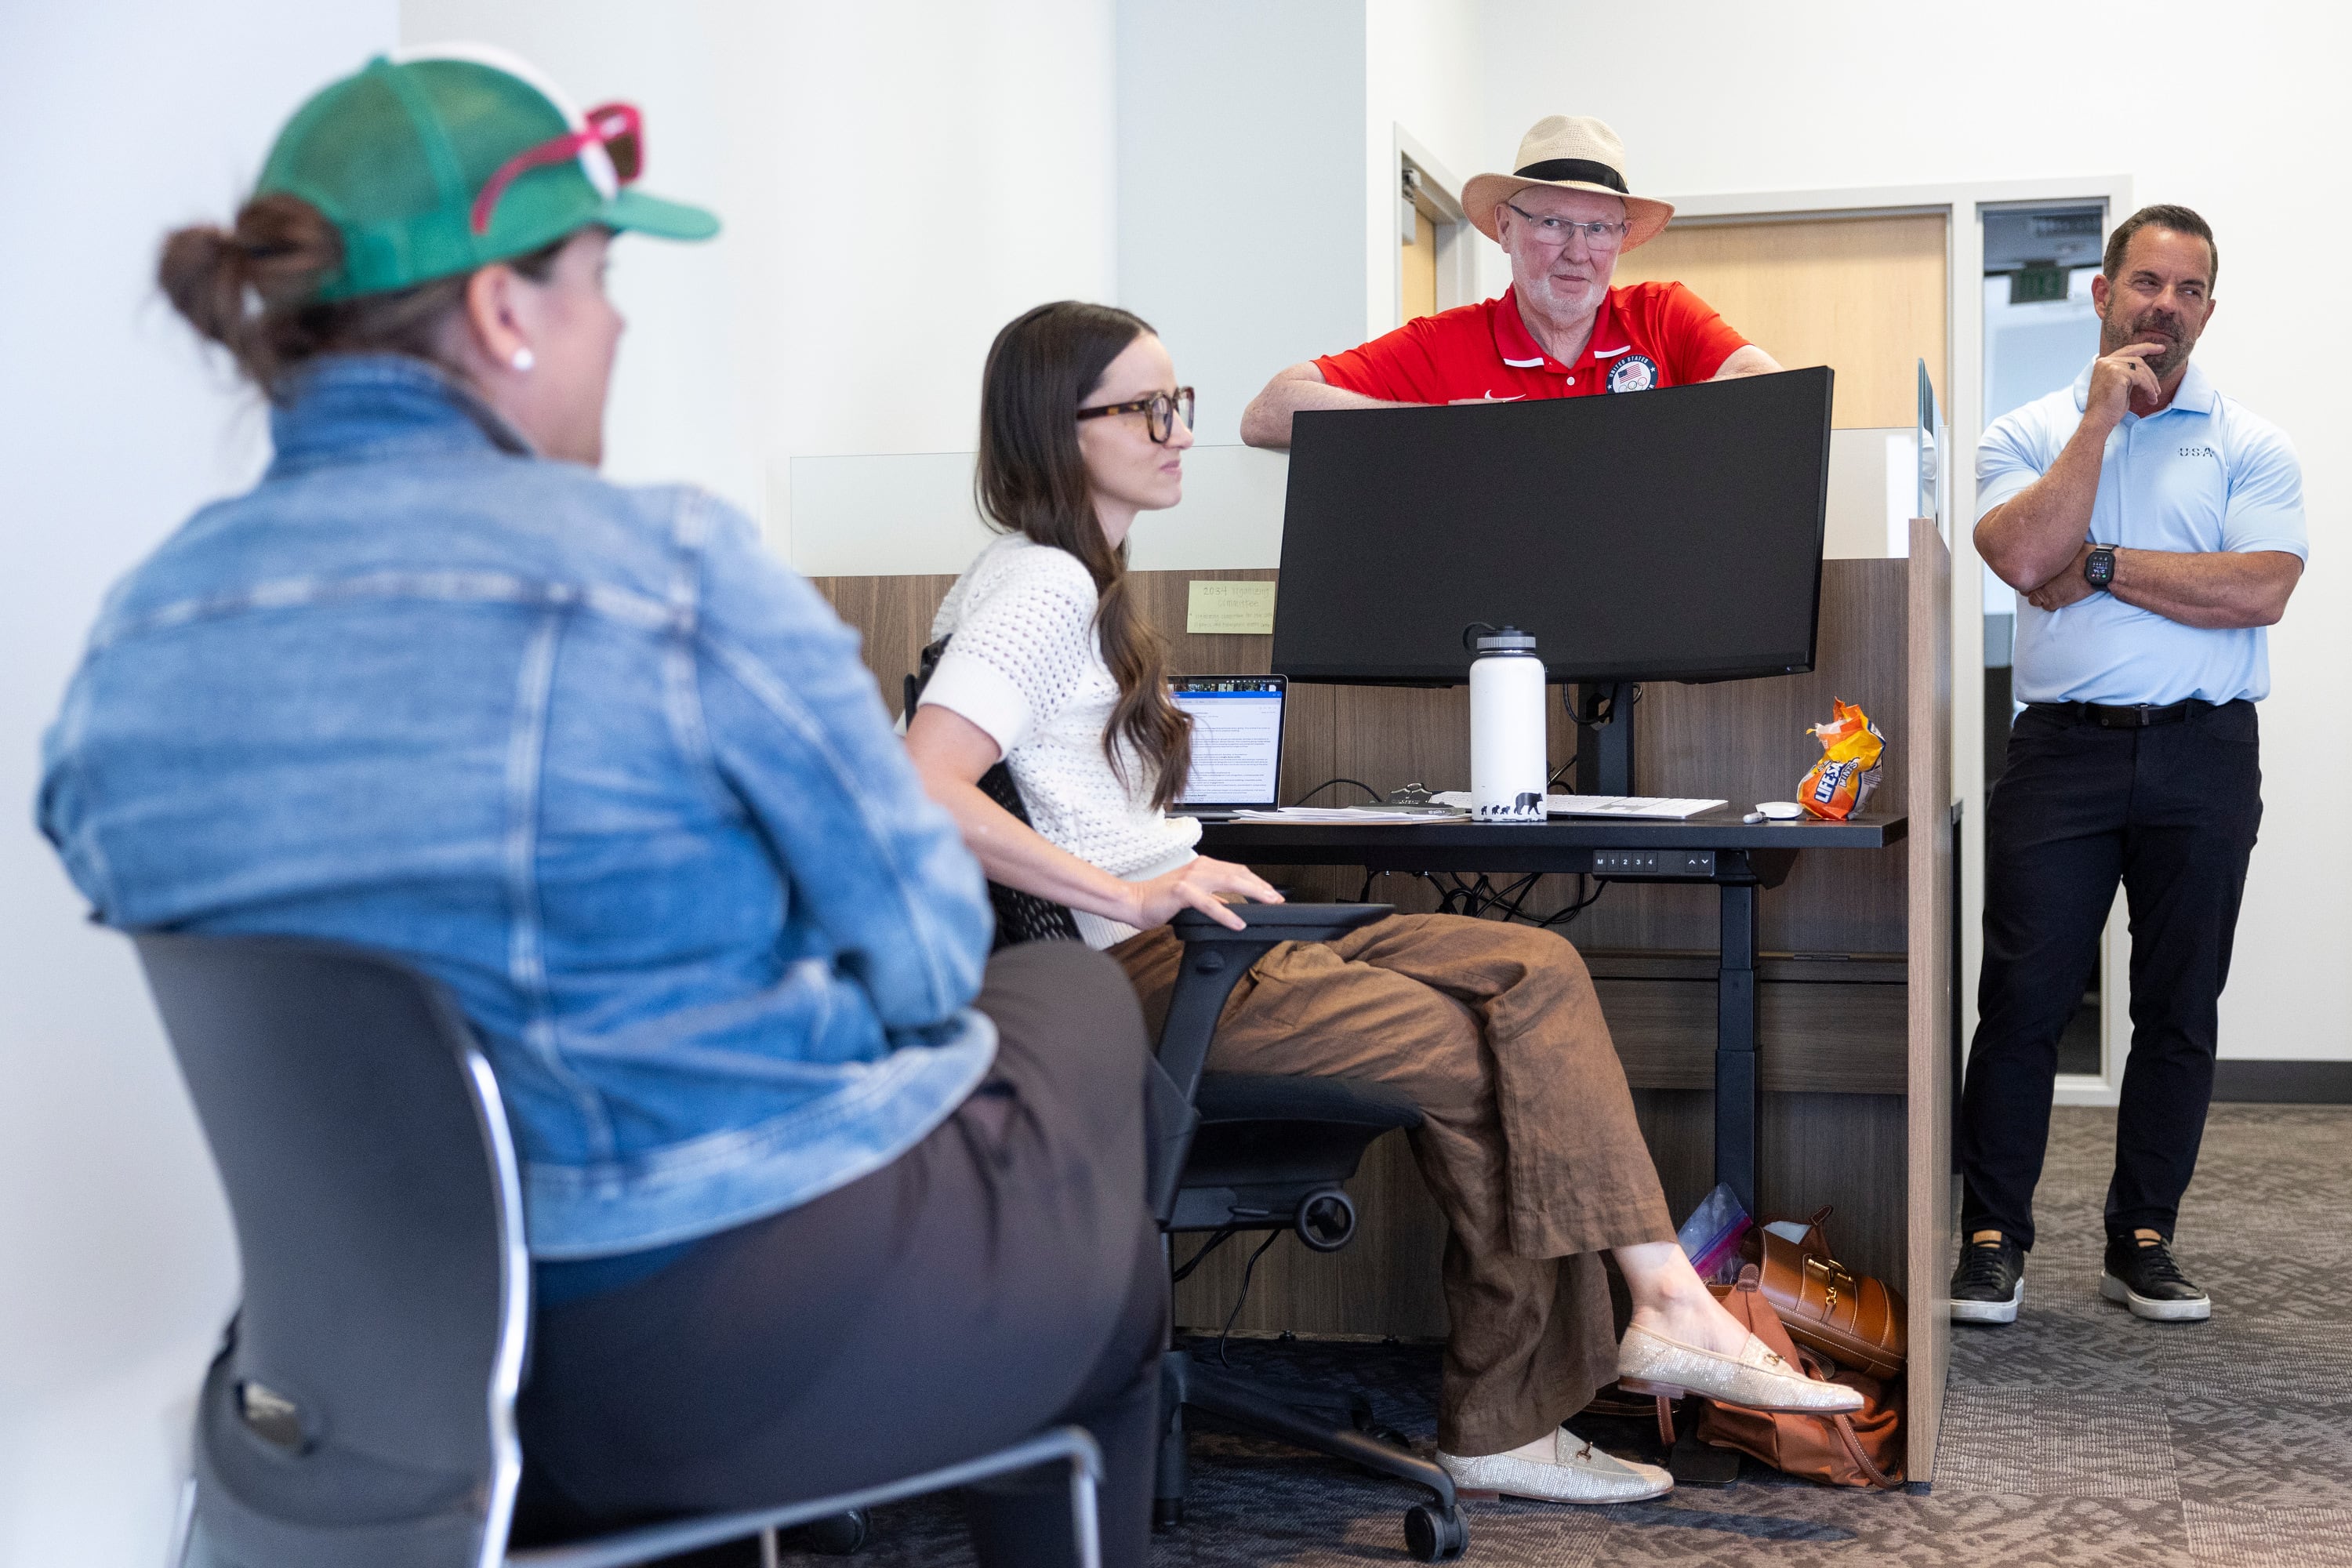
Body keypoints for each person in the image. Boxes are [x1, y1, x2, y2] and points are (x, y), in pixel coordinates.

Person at [37, 51, 1163, 1567]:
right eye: (599, 276)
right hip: (720, 1360)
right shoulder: (668, 575)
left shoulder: (138, 633)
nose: (619, 321)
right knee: (1067, 1005)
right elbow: (917, 955)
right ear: (507, 310)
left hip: (368, 1378)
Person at [905, 299, 1861, 1509]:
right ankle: (1516, 1412)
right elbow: (920, 786)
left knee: (1533, 972)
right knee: (1493, 1051)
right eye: (1146, 409)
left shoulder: (1075, 582)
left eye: (1179, 403)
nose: (1178, 432)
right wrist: (1134, 894)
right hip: (1133, 978)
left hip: (1188, 943)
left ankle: (1664, 1302)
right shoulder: (1040, 584)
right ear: (1058, 428)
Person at [1953, 205, 2304, 1327]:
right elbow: (2014, 551)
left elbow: (2258, 589)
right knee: (2022, 998)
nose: (2165, 305)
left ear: (2208, 308)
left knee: (2178, 1004)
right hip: (2064, 753)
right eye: (2145, 282)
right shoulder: (2027, 431)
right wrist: (2099, 420)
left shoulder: (2251, 442)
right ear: (2101, 293)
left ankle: (2142, 1239)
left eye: (2188, 289)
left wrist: (2097, 562)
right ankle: (1993, 1239)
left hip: (2206, 751)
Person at [1240, 115, 1780, 448]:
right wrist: (1444, 428)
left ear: (1620, 238)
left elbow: (1767, 391)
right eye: (1552, 223)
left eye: (1598, 228)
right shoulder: (1443, 343)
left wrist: (1636, 435)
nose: (1578, 251)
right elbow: (1269, 411)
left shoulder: (1663, 314)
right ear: (1505, 227)